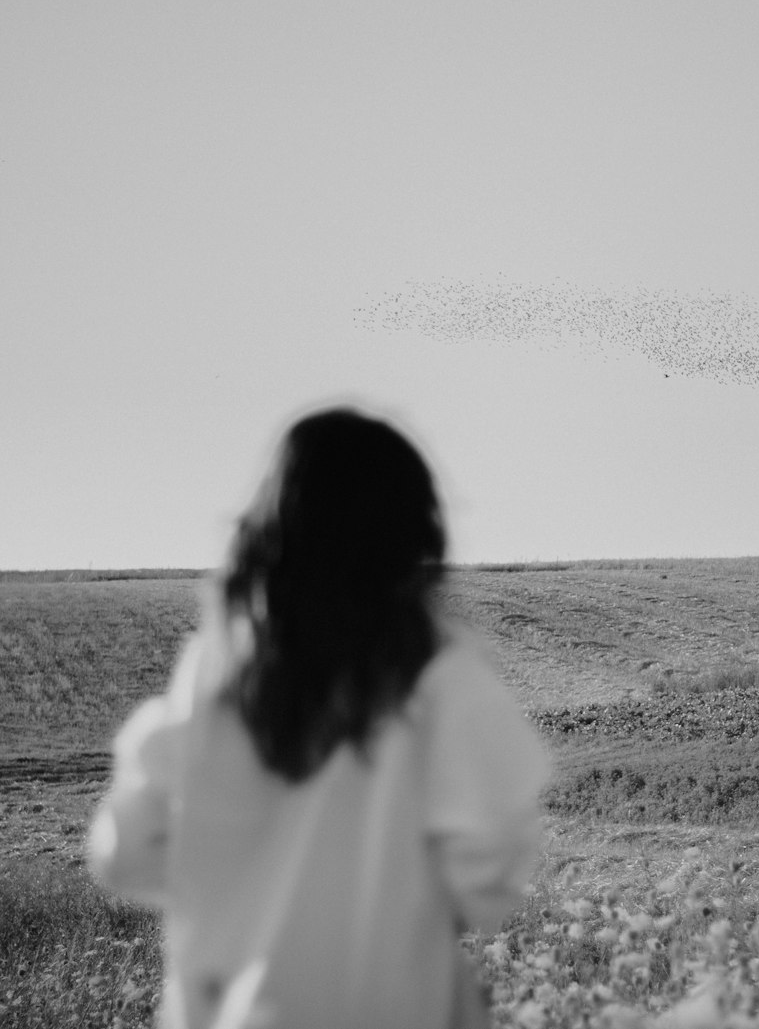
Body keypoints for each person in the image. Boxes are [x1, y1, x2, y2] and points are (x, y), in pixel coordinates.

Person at [88, 406, 550, 1029]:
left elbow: (125, 855)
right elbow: (488, 873)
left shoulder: (215, 677)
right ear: (414, 538)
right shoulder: (440, 678)